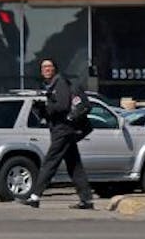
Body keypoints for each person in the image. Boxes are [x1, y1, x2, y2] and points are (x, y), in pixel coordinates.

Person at [20, 57, 94, 210]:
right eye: (43, 67)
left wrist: (46, 106)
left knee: (50, 162)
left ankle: (35, 196)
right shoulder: (50, 85)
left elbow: (62, 105)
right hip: (62, 129)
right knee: (74, 166)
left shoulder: (59, 83)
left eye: (49, 66)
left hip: (63, 129)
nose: (46, 69)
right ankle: (86, 199)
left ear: (54, 69)